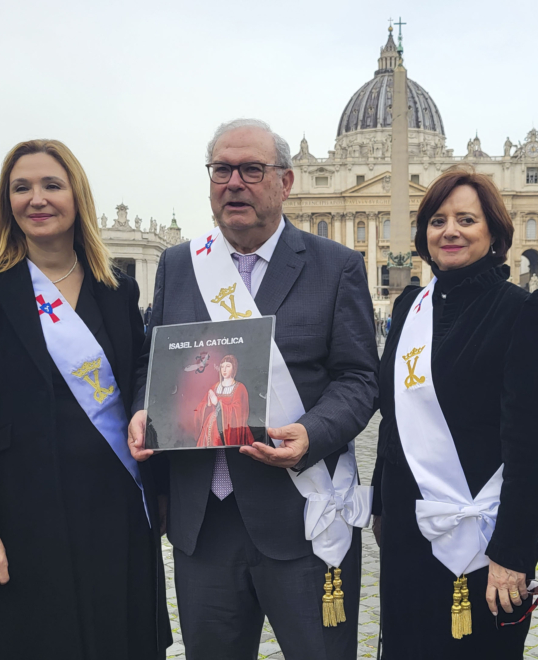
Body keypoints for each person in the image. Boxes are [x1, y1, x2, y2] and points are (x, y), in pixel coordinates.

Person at [127, 119, 378, 660]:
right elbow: (153, 359)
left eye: (251, 170)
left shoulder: (336, 266)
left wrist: (311, 433)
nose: (234, 183)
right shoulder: (178, 263)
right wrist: (145, 408)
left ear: (285, 183)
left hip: (302, 515)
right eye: (222, 170)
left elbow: (359, 379)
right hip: (203, 521)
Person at [0, 139, 171, 660]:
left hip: (113, 511)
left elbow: (139, 382)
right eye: (21, 188)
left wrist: (160, 490)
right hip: (20, 515)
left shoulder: (116, 289)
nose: (36, 199)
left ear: (77, 197)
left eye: (51, 185)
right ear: (7, 202)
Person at [371, 167, 538, 658]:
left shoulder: (529, 311)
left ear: (494, 231)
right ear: (423, 234)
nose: (450, 231)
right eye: (438, 220)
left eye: (465, 219)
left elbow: (533, 449)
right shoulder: (411, 307)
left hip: (483, 542)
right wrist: (380, 503)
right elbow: (394, 421)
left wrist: (512, 554)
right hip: (408, 531)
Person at [194, 354, 255, 448]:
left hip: (229, 429)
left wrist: (218, 403)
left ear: (234, 368)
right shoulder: (215, 387)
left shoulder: (240, 388)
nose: (224, 370)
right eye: (222, 367)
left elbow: (240, 411)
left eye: (228, 366)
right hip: (210, 429)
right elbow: (200, 406)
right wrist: (207, 404)